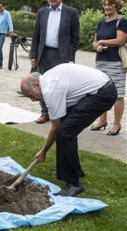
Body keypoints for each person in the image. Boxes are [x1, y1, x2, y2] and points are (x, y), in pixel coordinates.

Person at [20, 64, 117, 196]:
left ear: (37, 85)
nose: (32, 100)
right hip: (101, 88)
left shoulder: (50, 90)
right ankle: (76, 171)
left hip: (101, 94)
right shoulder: (47, 78)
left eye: (31, 95)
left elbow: (55, 128)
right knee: (67, 129)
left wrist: (43, 151)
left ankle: (73, 184)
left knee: (64, 133)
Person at [30, 0, 80, 124]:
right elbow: (36, 36)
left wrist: (69, 56)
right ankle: (45, 112)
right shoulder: (42, 12)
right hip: (43, 54)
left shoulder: (71, 13)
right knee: (41, 84)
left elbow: (76, 38)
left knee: (60, 86)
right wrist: (33, 55)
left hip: (61, 56)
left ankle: (61, 115)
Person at [90, 0, 126, 135]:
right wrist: (97, 46)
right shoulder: (101, 23)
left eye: (110, 4)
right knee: (101, 91)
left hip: (116, 62)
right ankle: (102, 120)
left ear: (116, 6)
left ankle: (117, 124)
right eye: (105, 4)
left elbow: (120, 41)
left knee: (118, 94)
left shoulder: (122, 22)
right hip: (101, 61)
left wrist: (103, 42)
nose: (107, 7)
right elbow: (94, 41)